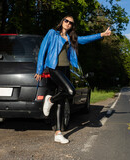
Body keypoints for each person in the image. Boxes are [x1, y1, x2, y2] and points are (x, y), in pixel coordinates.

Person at [34, 16, 111, 144]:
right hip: (54, 68)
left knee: (62, 102)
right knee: (71, 91)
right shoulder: (52, 33)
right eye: (66, 21)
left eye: (71, 23)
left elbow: (84, 40)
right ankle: (50, 99)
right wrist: (39, 70)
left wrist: (102, 34)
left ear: (72, 26)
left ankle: (58, 133)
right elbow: (43, 50)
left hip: (65, 70)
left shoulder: (71, 38)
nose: (68, 23)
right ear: (62, 21)